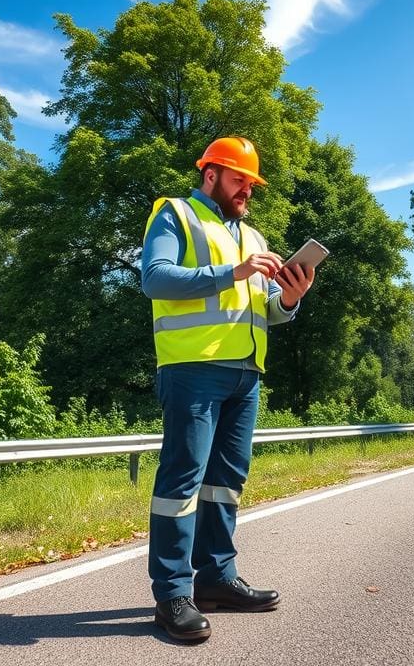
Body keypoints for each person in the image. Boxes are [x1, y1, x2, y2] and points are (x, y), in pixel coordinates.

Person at [140, 136, 315, 642]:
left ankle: (216, 578)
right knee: (182, 481)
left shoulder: (255, 238)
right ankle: (173, 593)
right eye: (239, 180)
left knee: (225, 482)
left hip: (245, 374)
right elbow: (155, 279)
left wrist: (289, 299)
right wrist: (230, 272)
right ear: (211, 174)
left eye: (252, 184)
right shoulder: (174, 215)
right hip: (192, 368)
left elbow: (267, 312)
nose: (247, 192)